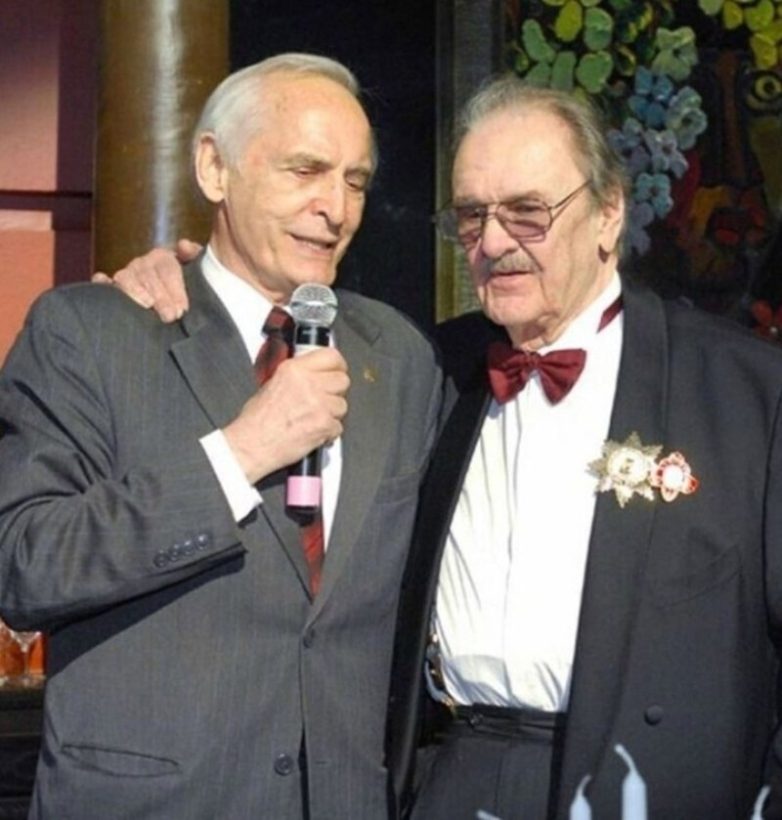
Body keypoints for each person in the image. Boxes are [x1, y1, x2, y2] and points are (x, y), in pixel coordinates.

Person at [100, 77, 782, 820]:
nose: (494, 243)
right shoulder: (428, 367)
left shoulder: (746, 393)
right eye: (472, 216)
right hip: (454, 778)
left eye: (527, 212)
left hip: (652, 787)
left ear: (608, 212)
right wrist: (173, 279)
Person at [0, 53, 441, 820]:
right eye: (305, 170)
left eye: (356, 181)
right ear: (214, 168)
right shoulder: (92, 333)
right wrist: (238, 454)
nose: (335, 207)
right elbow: (24, 566)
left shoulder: (399, 357)